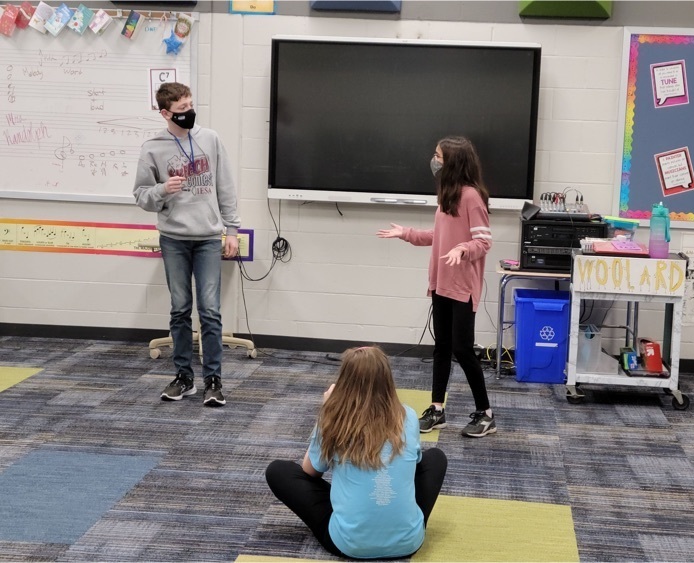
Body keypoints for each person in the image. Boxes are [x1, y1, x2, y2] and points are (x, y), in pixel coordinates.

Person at [265, 346, 448, 560]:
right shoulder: (408, 415)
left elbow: (310, 471)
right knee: (436, 458)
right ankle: (399, 524)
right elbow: (415, 465)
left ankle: (359, 518)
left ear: (344, 382)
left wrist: (327, 411)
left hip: (349, 545)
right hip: (409, 543)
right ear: (388, 380)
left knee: (278, 471)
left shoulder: (335, 418)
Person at [377, 136, 495, 438]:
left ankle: (486, 414)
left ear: (453, 161)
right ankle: (437, 409)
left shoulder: (471, 197)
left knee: (462, 350)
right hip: (441, 284)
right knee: (441, 347)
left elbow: (483, 241)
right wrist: (406, 233)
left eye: (439, 156)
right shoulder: (448, 195)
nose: (434, 160)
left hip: (463, 286)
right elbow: (438, 236)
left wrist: (463, 249)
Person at [133, 82, 240, 407]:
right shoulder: (152, 148)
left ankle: (213, 380)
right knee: (180, 310)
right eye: (182, 110)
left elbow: (225, 186)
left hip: (207, 237)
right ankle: (184, 378)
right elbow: (141, 196)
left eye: (191, 106)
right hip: (174, 239)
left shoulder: (210, 139)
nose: (189, 113)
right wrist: (163, 189)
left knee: (210, 311)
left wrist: (232, 230)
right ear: (166, 113)